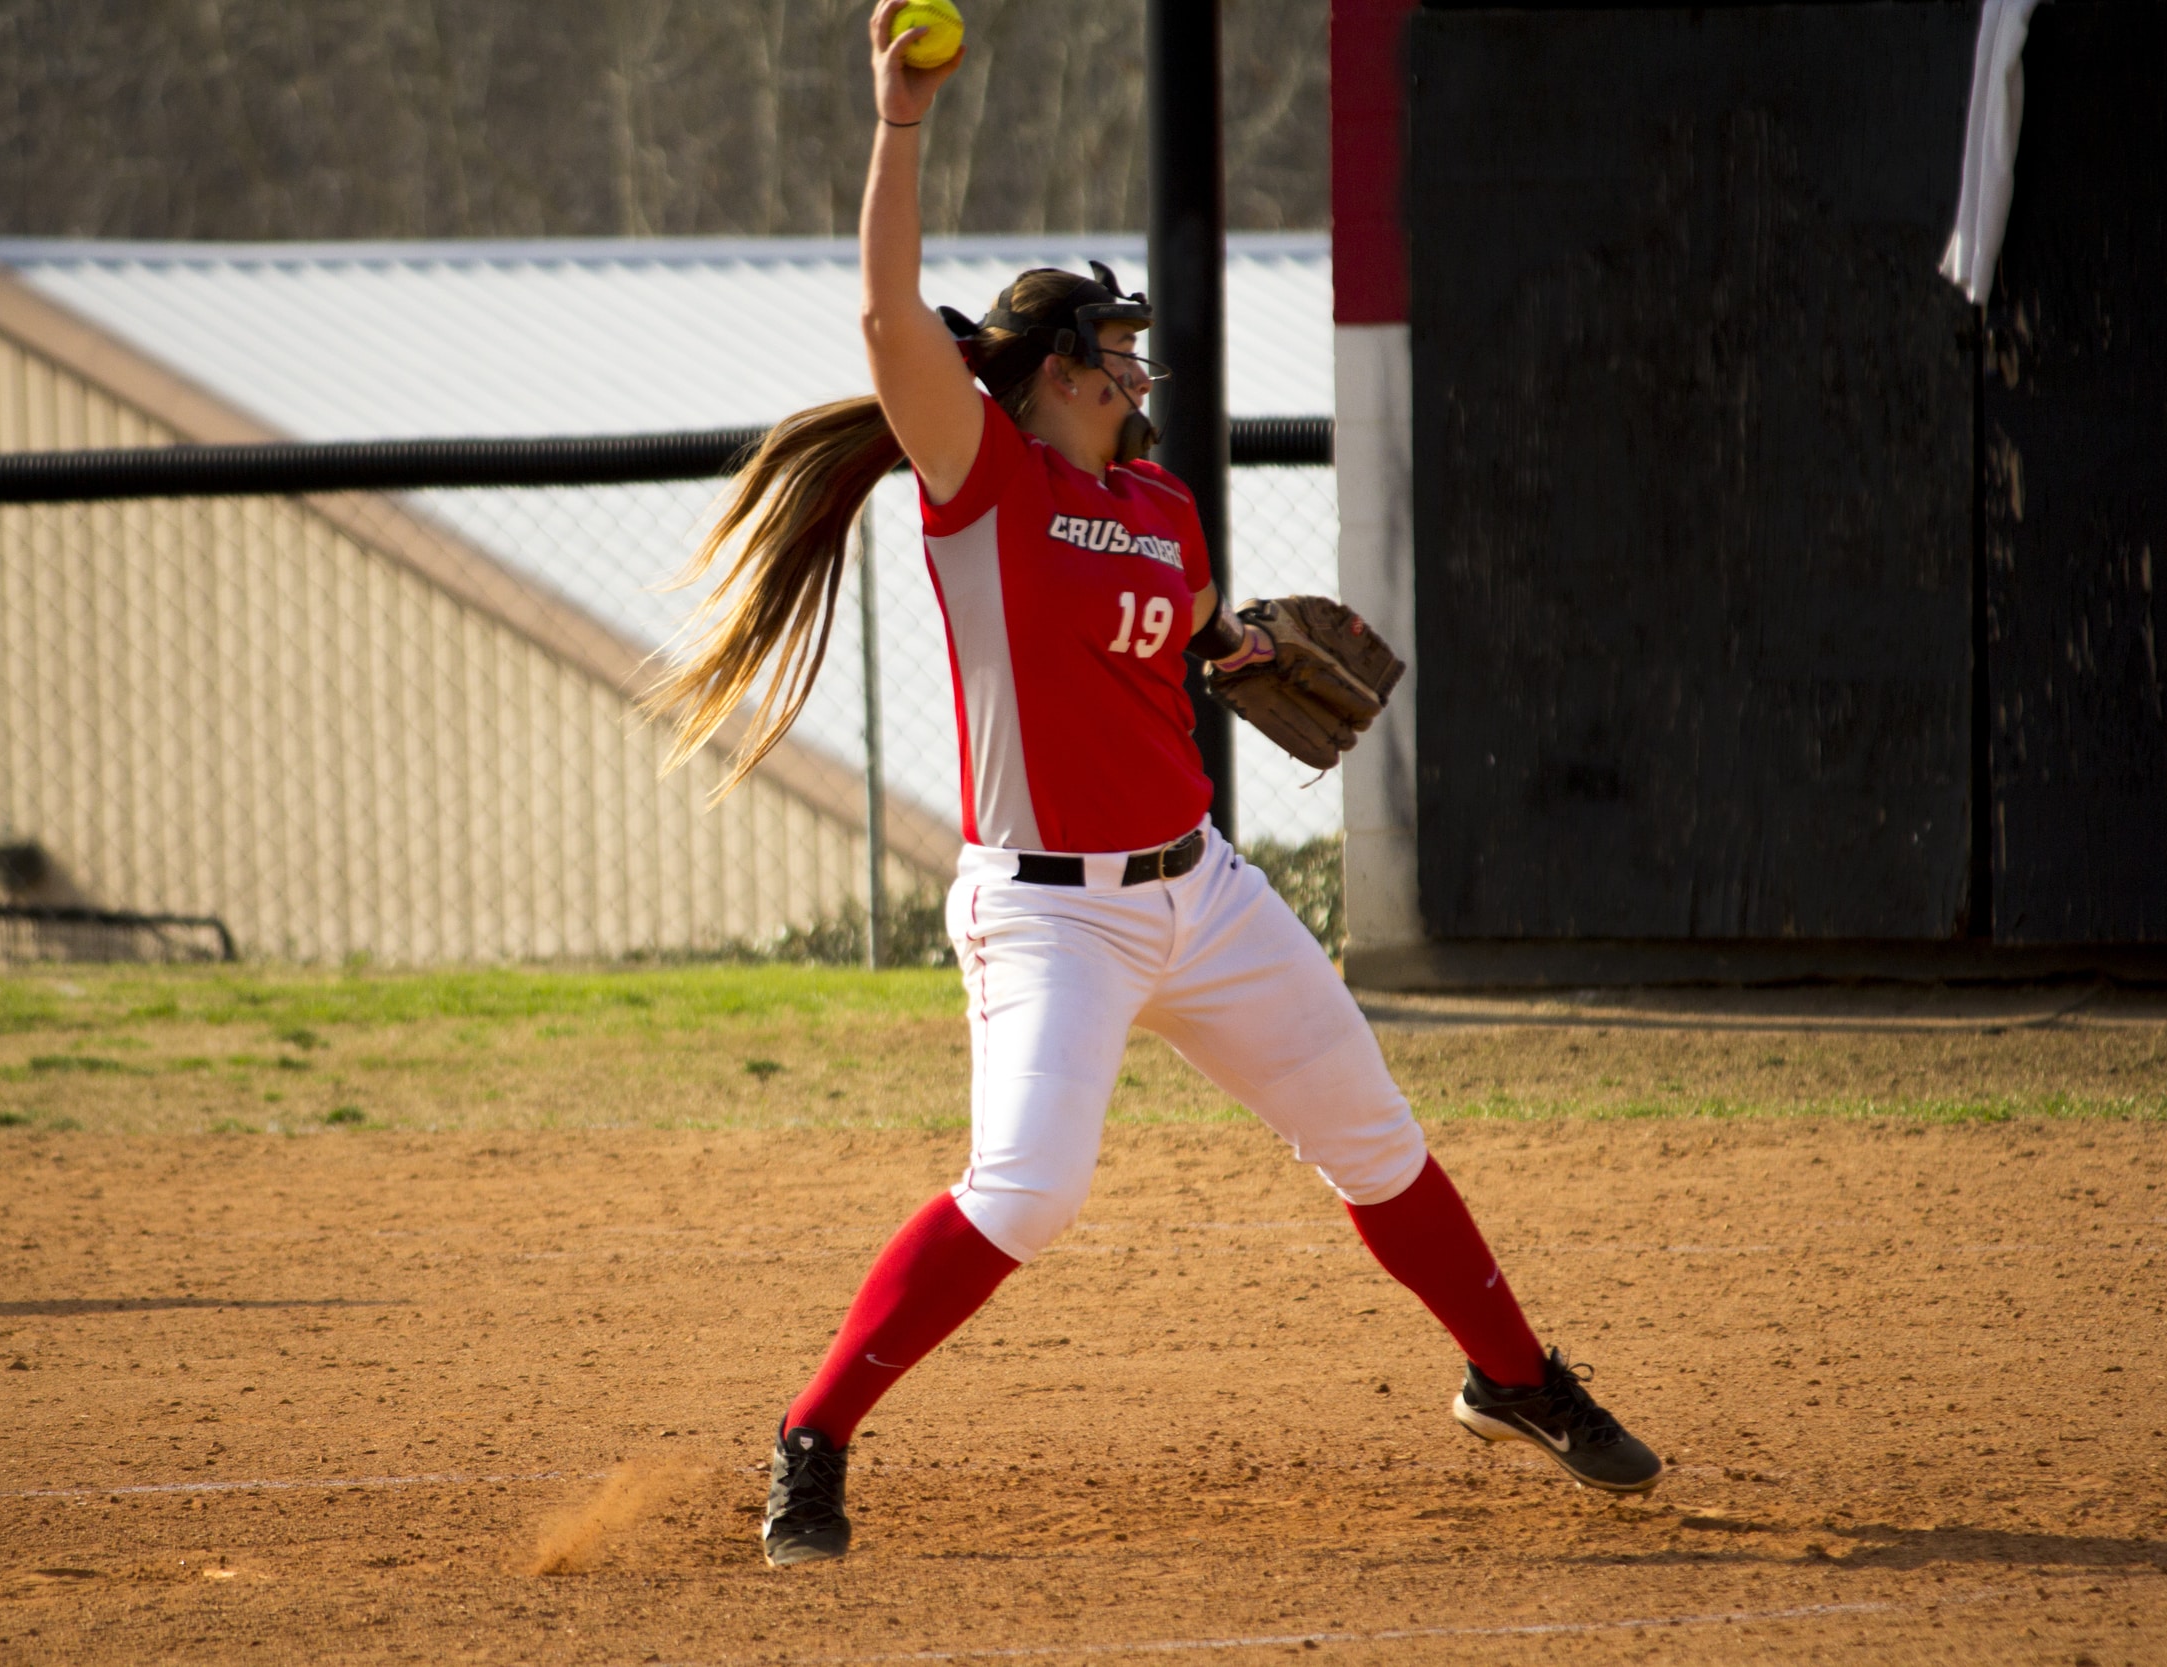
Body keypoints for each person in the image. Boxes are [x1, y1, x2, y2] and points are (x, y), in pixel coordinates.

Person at [648, 1, 1663, 1570]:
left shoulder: (1163, 499)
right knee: (1029, 1191)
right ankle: (814, 1436)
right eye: (1112, 353)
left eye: (1131, 354)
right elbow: (880, 321)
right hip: (1049, 919)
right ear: (1051, 369)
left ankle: (1512, 1377)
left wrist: (1241, 647)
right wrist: (898, 120)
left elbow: (1190, 629)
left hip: (1202, 890)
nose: (1135, 372)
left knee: (1377, 1144)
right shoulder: (982, 481)